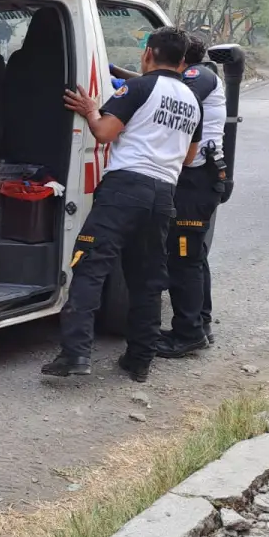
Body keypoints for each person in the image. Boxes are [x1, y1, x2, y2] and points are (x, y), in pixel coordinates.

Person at [42, 27, 202, 383]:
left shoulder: (140, 87)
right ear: (182, 61)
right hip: (163, 195)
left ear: (148, 54)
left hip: (125, 189)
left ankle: (75, 353)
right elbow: (190, 157)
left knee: (90, 266)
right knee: (146, 280)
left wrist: (90, 110)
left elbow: (104, 133)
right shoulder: (192, 101)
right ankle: (139, 359)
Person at [158, 35, 226, 356]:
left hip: (195, 179)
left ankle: (187, 334)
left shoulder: (199, 75)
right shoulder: (202, 76)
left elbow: (173, 93)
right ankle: (200, 322)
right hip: (202, 179)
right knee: (195, 256)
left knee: (183, 257)